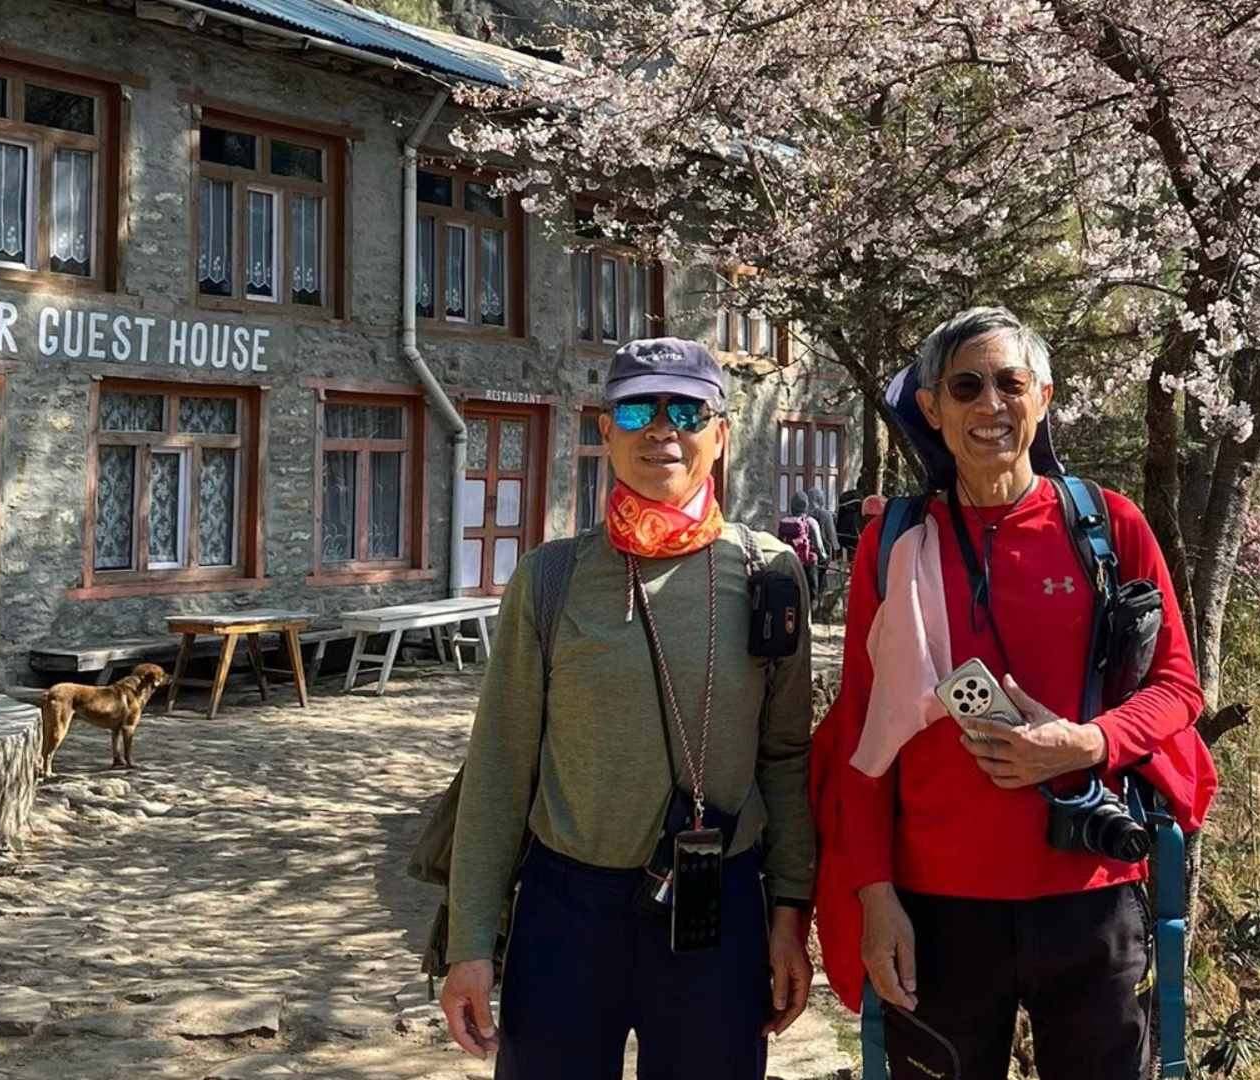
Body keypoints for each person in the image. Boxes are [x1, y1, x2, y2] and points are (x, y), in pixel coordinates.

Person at [811, 307, 1213, 1080]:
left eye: (1010, 383)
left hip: (1089, 894)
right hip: (937, 907)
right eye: (965, 386)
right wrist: (875, 896)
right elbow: (865, 734)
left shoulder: (1107, 525)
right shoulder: (894, 545)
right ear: (931, 408)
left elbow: (1176, 686)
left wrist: (1089, 742)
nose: (990, 406)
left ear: (1044, 397)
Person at [440, 338, 816, 1080]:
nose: (661, 428)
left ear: (721, 434)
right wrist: (470, 946)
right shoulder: (551, 580)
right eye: (638, 408)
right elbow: (499, 768)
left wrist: (789, 914)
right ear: (605, 431)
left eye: (687, 409)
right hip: (567, 911)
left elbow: (786, 756)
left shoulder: (770, 573)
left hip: (718, 909)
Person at [780, 491, 829, 598]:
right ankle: (817, 605)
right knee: (812, 596)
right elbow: (819, 548)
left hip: (789, 564)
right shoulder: (811, 522)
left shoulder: (785, 522)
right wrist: (825, 559)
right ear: (806, 506)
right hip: (808, 566)